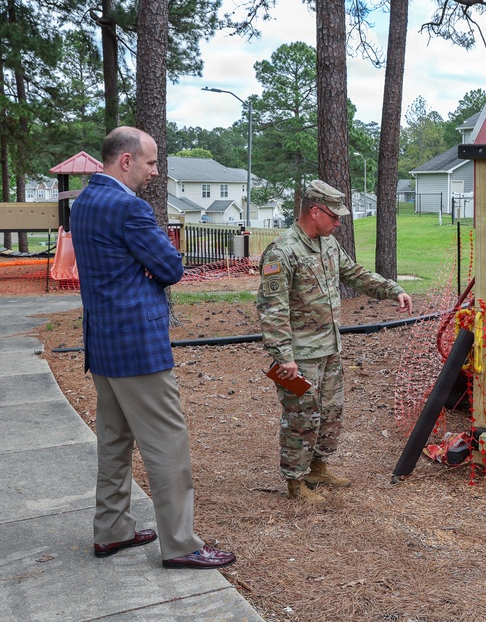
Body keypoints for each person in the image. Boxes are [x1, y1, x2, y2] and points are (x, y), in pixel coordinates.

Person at [72, 126, 236, 570]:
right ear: (125, 160)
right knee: (167, 443)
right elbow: (170, 266)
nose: (155, 171)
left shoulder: (85, 201)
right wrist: (151, 266)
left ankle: (112, 530)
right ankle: (181, 544)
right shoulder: (130, 208)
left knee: (114, 440)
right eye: (150, 162)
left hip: (102, 344)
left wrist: (145, 267)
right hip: (137, 347)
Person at [257, 179, 412, 503]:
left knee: (330, 413)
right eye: (335, 216)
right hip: (298, 357)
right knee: (301, 417)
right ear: (315, 212)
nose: (340, 223)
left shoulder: (328, 245)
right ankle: (295, 482)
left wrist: (392, 289)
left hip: (329, 350)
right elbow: (272, 309)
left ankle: (317, 468)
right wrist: (284, 356)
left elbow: (355, 274)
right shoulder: (282, 251)